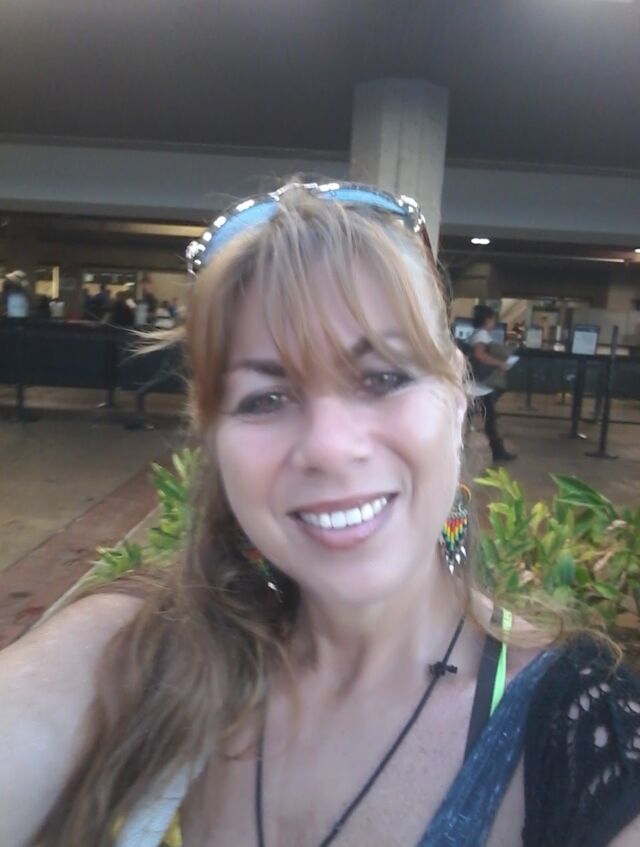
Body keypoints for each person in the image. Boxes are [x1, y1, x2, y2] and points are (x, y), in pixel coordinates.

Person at [1, 182, 639, 847]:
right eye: (265, 398)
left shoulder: (583, 736)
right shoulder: (138, 662)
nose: (330, 448)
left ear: (457, 400)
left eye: (384, 377)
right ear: (214, 439)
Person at [468, 304, 517, 463]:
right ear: (487, 319)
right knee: (489, 418)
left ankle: (498, 450)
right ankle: (498, 451)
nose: (494, 322)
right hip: (481, 386)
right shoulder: (481, 335)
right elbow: (480, 355)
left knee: (487, 417)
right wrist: (500, 363)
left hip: (478, 385)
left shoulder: (477, 333)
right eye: (493, 319)